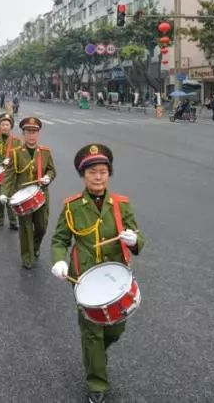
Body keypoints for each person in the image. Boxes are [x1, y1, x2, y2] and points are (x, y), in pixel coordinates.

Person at [50, 144, 144, 403]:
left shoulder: (121, 205)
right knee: (92, 331)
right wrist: (59, 261)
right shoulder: (72, 207)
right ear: (84, 175)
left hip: (116, 280)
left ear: (109, 174)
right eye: (92, 172)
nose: (98, 176)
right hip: (85, 279)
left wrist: (134, 239)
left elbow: (138, 238)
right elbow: (59, 240)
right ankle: (97, 383)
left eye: (103, 171)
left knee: (115, 329)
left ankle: (94, 356)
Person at [0, 117, 56, 269]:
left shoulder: (45, 152)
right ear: (23, 134)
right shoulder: (16, 153)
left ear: (38, 134)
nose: (31, 135)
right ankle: (27, 256)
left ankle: (35, 246)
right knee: (25, 228)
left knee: (42, 227)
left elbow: (52, 170)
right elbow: (9, 175)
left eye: (34, 132)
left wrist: (47, 177)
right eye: (28, 132)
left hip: (41, 196)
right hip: (23, 197)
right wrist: (4, 193)